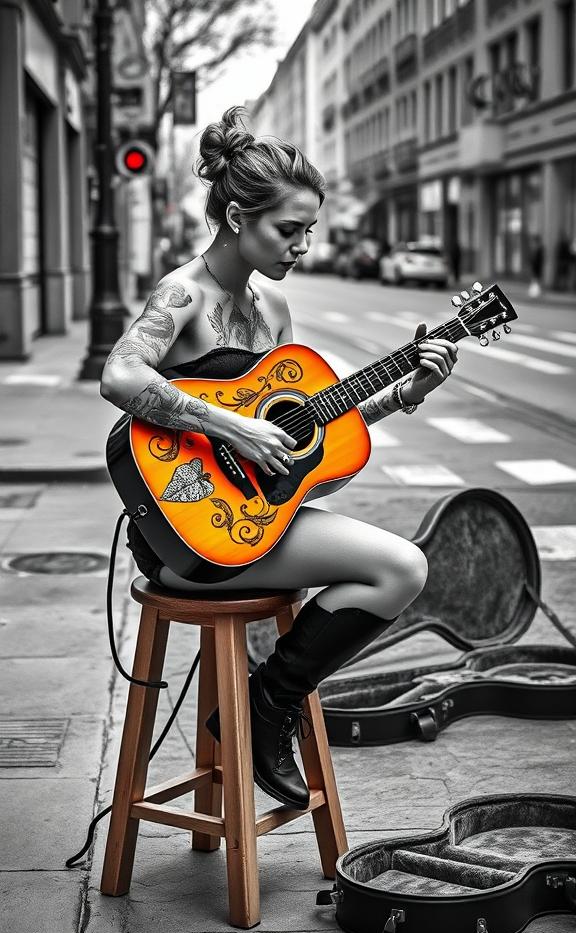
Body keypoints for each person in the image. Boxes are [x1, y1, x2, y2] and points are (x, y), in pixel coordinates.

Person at [100, 107, 458, 810]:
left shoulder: (274, 312)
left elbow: (305, 432)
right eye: (288, 230)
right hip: (184, 533)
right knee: (397, 565)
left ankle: (268, 700)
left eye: (309, 230)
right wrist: (231, 427)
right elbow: (120, 377)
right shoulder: (183, 294)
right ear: (237, 216)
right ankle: (267, 714)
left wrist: (405, 395)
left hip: (254, 519)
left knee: (403, 567)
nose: (302, 245)